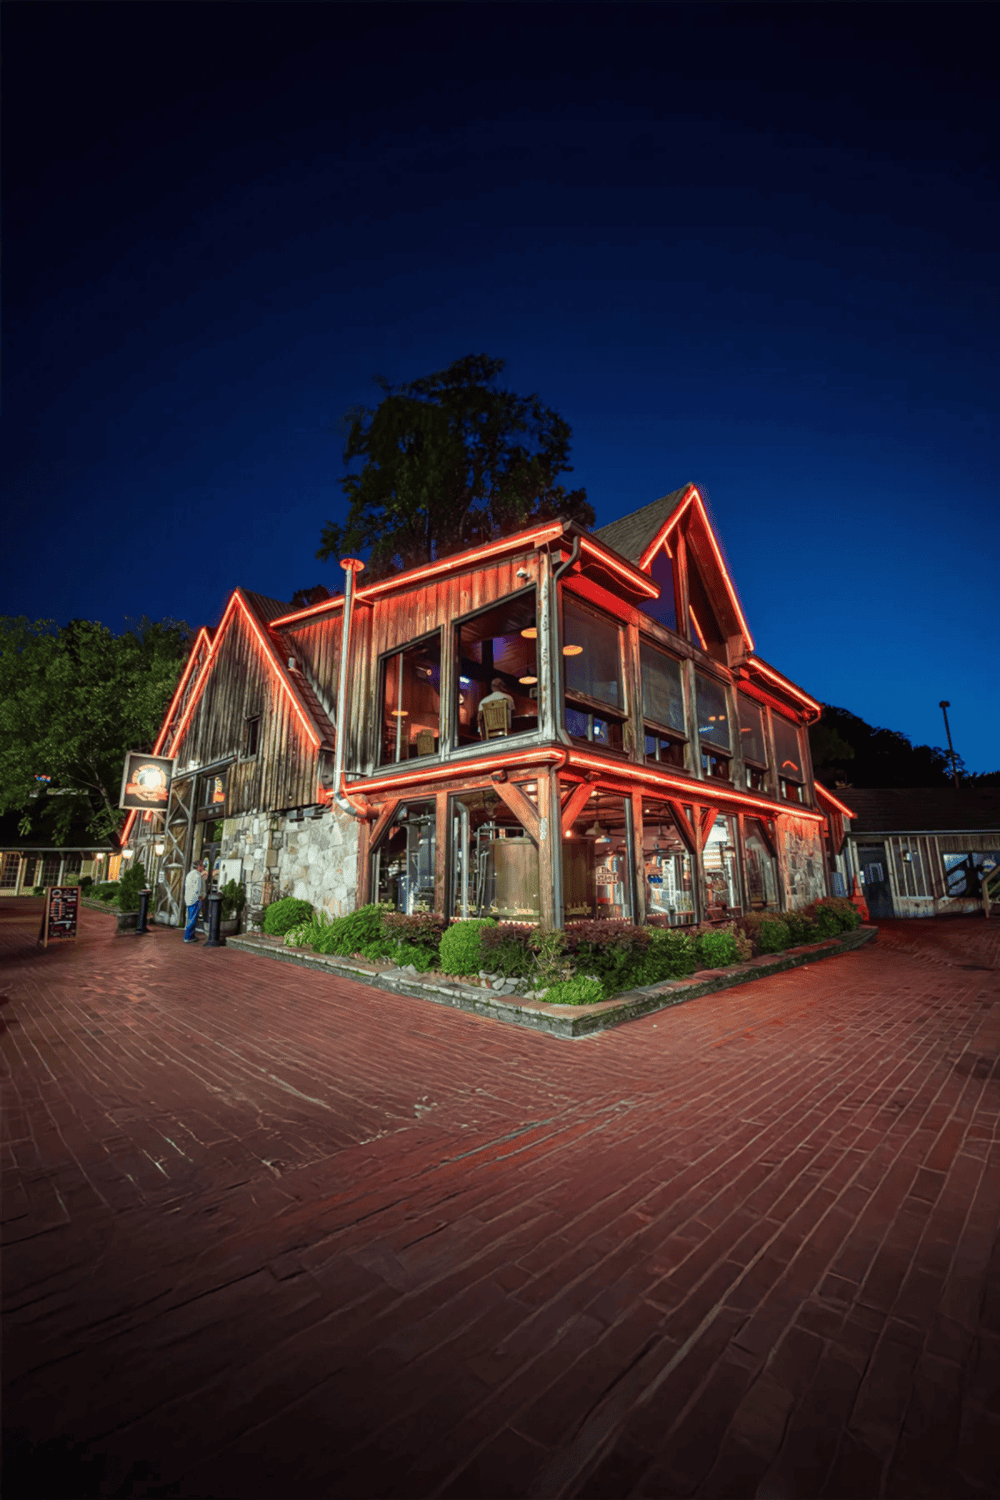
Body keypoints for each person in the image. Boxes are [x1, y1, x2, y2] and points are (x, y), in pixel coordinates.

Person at [183, 860, 206, 943]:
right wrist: (200, 896)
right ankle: (188, 936)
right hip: (196, 899)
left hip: (189, 899)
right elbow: (198, 888)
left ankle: (190, 935)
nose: (203, 867)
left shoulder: (189, 874)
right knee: (193, 918)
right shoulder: (198, 875)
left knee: (190, 917)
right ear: (199, 866)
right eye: (202, 865)